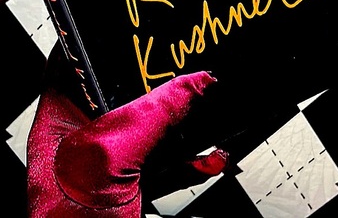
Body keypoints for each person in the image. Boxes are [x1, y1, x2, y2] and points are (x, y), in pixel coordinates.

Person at [27, 45, 228, 217]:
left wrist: (196, 85)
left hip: (86, 68)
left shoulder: (90, 186)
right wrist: (186, 174)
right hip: (107, 86)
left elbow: (159, 110)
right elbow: (132, 193)